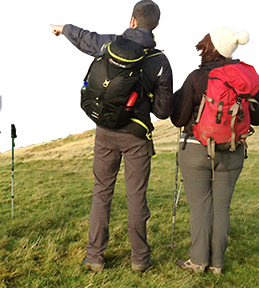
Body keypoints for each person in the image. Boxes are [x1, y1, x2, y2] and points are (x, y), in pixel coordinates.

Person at [50, 0, 174, 273]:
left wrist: (63, 29)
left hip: (105, 131)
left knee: (101, 193)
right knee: (136, 197)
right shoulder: (160, 62)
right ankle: (140, 260)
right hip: (136, 136)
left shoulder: (109, 44)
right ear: (156, 26)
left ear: (131, 20)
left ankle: (94, 256)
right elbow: (163, 111)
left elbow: (86, 39)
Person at [170, 27, 259, 275]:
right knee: (222, 207)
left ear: (210, 47)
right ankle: (217, 264)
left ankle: (198, 261)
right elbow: (258, 118)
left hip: (196, 149)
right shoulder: (246, 77)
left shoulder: (197, 77)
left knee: (201, 206)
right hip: (233, 150)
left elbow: (178, 119)